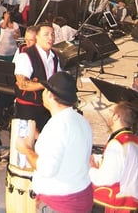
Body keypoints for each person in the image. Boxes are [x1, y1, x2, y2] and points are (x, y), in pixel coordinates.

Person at [16, 72, 94, 213]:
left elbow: (46, 169)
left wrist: (26, 149)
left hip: (62, 204)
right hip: (82, 196)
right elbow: (67, 150)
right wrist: (40, 137)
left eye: (45, 90)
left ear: (50, 95)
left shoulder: (57, 126)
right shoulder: (80, 120)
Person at [90, 101, 138, 211]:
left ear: (116, 117)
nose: (108, 114)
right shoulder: (133, 140)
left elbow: (105, 179)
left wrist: (91, 169)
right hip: (130, 203)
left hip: (114, 204)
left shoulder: (117, 143)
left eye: (110, 111)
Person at [13, 22, 61, 131]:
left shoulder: (55, 56)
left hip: (47, 107)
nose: (50, 37)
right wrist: (46, 84)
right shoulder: (25, 56)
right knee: (25, 143)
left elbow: (58, 78)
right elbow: (22, 84)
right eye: (46, 34)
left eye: (52, 34)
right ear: (37, 37)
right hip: (28, 108)